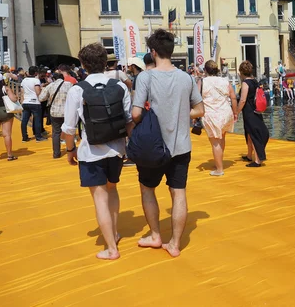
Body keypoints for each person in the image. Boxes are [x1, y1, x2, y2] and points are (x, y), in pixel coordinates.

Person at [132, 29, 204, 258]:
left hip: (152, 145)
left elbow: (135, 114)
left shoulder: (145, 77)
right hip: (181, 146)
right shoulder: (186, 77)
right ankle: (174, 244)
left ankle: (155, 235)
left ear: (153, 52)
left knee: (147, 189)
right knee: (179, 193)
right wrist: (181, 113)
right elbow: (199, 110)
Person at [62, 43, 134, 260]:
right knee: (112, 191)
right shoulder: (120, 87)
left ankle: (111, 248)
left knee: (99, 198)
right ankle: (114, 232)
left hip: (91, 152)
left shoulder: (77, 89)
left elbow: (68, 128)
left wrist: (70, 150)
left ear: (83, 65)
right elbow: (129, 120)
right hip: (117, 150)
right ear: (105, 63)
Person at [201, 60, 237, 177]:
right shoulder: (225, 81)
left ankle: (219, 169)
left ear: (205, 70)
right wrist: (235, 112)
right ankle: (218, 163)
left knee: (215, 141)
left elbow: (196, 98)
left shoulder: (202, 82)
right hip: (225, 112)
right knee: (222, 138)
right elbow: (233, 97)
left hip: (211, 114)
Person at [236, 60, 269, 168]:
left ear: (242, 72)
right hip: (256, 109)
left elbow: (242, 100)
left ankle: (258, 160)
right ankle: (249, 155)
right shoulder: (255, 81)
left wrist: (236, 111)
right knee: (249, 133)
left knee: (254, 134)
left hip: (249, 111)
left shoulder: (245, 83)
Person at [39, 72, 73, 159]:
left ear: (53, 78)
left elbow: (41, 98)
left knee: (56, 133)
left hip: (55, 112)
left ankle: (56, 153)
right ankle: (71, 150)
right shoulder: (69, 84)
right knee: (69, 131)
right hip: (67, 111)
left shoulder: (50, 86)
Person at [21, 66, 47, 142]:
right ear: (36, 73)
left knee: (24, 120)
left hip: (26, 101)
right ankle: (38, 137)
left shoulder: (24, 80)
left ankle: (24, 137)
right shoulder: (36, 80)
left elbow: (22, 92)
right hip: (35, 102)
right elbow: (38, 92)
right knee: (37, 120)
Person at [0, 74, 19, 160]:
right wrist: (16, 97)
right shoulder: (5, 88)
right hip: (5, 110)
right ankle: (10, 155)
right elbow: (13, 99)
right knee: (6, 134)